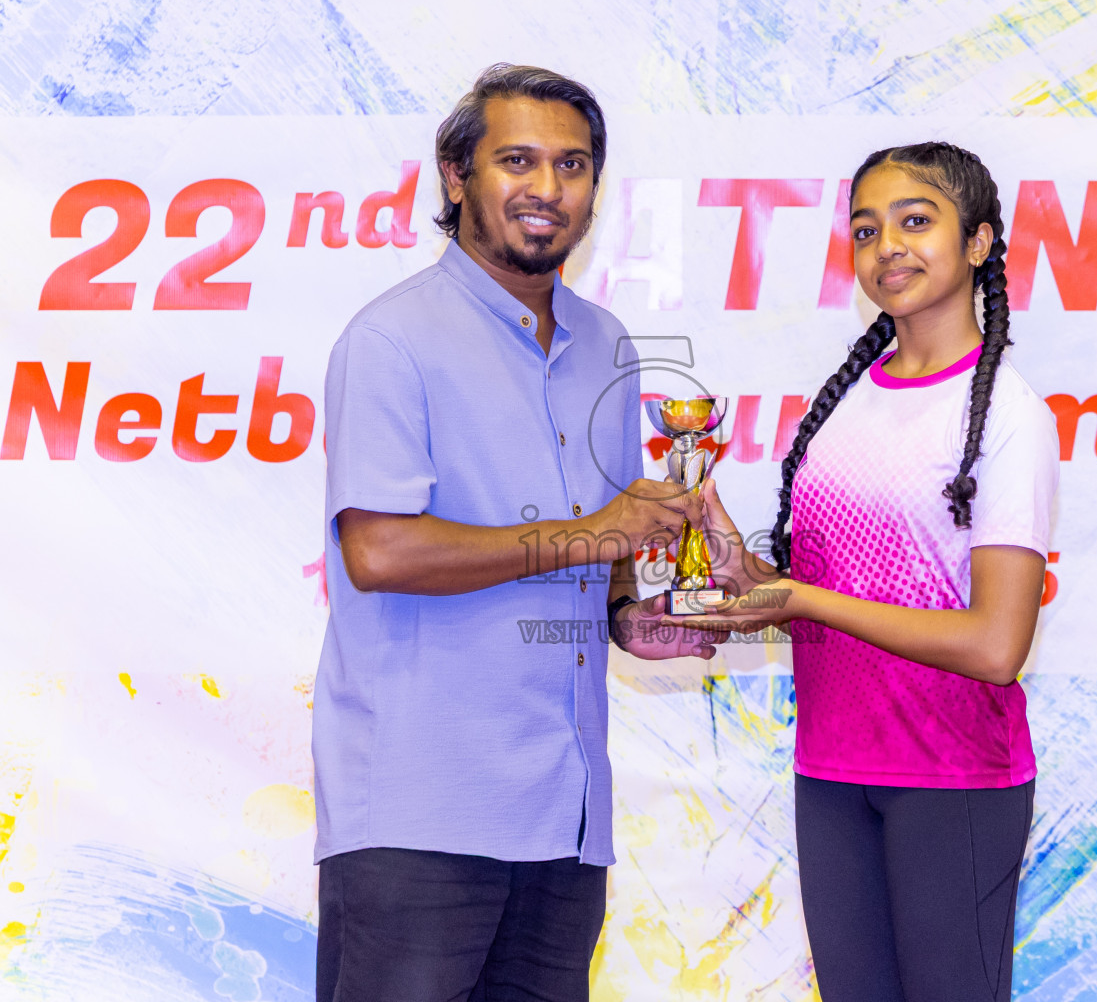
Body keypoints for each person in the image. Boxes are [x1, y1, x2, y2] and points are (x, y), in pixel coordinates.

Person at [313, 63, 723, 1002]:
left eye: (572, 165)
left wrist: (648, 620)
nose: (547, 188)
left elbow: (609, 566)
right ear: (457, 176)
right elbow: (379, 552)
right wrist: (588, 538)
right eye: (518, 161)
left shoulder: (609, 346)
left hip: (565, 823)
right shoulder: (392, 340)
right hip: (421, 817)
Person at [667, 142, 1059, 1002]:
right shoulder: (844, 402)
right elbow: (823, 604)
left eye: (917, 221)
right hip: (832, 772)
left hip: (951, 781)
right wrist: (737, 565)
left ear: (981, 243)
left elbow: (997, 645)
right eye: (867, 229)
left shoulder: (1010, 417)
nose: (888, 246)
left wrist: (800, 596)